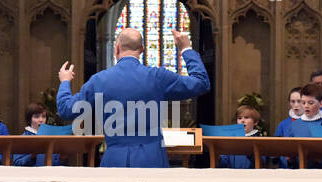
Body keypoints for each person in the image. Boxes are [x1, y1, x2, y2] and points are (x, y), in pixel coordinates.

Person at [57, 27, 209, 168]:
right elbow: (201, 83)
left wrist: (65, 82)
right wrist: (186, 49)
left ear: (116, 48)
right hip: (153, 160)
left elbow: (66, 110)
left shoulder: (99, 80)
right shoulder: (157, 77)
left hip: (115, 159)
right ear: (142, 50)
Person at [13, 102, 59, 166]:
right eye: (36, 117)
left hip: (49, 174)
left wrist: (61, 158)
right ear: (29, 119)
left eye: (43, 116)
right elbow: (16, 163)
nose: (41, 120)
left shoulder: (51, 137)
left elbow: (56, 163)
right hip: (30, 174)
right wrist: (32, 156)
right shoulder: (22, 138)